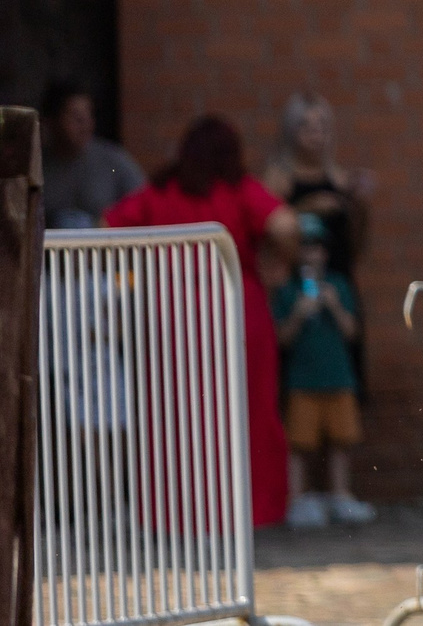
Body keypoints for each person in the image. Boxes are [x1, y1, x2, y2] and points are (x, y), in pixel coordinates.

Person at [106, 115, 299, 527]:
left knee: (173, 418)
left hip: (169, 321)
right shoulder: (237, 189)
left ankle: (173, 514)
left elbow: (105, 228)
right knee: (246, 415)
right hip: (236, 313)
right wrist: (279, 264)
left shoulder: (159, 192)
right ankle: (248, 510)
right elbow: (285, 224)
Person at [273, 211, 376, 528]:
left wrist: (333, 305)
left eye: (316, 246)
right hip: (302, 380)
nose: (310, 253)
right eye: (304, 246)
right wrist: (298, 314)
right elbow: (282, 338)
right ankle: (298, 499)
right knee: (300, 444)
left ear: (325, 252)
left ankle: (340, 495)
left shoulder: (339, 285)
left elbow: (352, 332)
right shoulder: (287, 290)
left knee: (340, 442)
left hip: (337, 377)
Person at [263, 92, 374, 280]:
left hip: (338, 278)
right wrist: (309, 208)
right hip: (294, 282)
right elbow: (269, 234)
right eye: (306, 126)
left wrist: (361, 206)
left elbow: (357, 244)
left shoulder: (340, 179)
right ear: (291, 131)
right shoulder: (278, 180)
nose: (316, 134)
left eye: (322, 126)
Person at [37, 79, 143, 229]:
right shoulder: (37, 167)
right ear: (51, 121)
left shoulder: (112, 161)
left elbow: (144, 203)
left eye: (88, 114)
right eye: (74, 116)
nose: (84, 123)